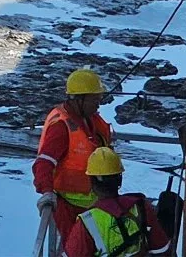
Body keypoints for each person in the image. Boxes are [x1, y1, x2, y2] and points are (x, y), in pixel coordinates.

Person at [34, 69, 114, 246]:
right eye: (94, 100)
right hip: (69, 207)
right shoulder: (61, 127)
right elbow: (44, 163)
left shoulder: (88, 119)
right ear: (79, 99)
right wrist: (46, 192)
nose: (98, 105)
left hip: (94, 202)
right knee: (76, 248)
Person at [64, 148, 173, 257]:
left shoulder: (87, 223)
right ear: (119, 179)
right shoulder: (141, 207)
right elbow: (162, 250)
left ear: (91, 181)